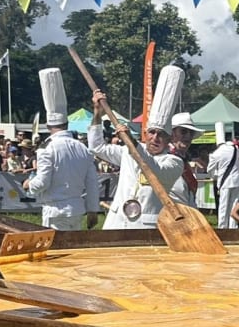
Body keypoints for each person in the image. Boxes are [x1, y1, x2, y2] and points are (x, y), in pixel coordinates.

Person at [88, 66, 184, 230]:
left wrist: (132, 141)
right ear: (146, 133)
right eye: (152, 133)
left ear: (169, 138)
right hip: (117, 222)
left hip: (147, 226)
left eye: (161, 134)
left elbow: (152, 169)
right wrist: (97, 112)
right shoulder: (127, 152)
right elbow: (97, 147)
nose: (155, 138)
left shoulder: (174, 162)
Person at [23, 68, 101, 231]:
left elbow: (43, 182)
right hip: (76, 209)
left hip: (55, 211)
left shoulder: (46, 149)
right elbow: (92, 183)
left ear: (48, 125)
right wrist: (93, 210)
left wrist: (29, 184)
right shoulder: (82, 148)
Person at [207, 137, 239, 229]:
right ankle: (233, 226)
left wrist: (214, 176)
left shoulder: (216, 153)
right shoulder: (235, 149)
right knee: (234, 204)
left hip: (224, 181)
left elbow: (210, 169)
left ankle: (222, 226)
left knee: (223, 205)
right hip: (236, 179)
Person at [168, 112, 204, 207]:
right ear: (172, 134)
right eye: (183, 131)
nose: (188, 136)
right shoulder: (165, 157)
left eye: (191, 133)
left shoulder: (183, 159)